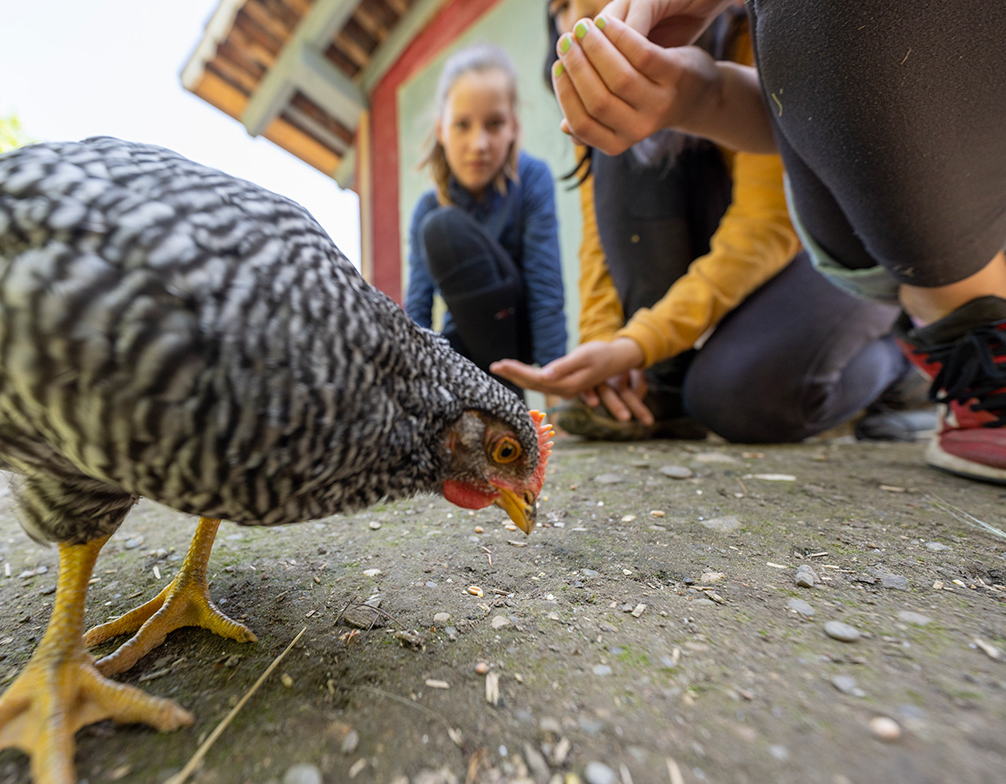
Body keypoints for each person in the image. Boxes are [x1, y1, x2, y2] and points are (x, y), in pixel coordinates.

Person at [505, 0, 1005, 484]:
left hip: (826, 246)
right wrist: (603, 344)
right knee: (621, 134)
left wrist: (639, 342)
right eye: (559, 6)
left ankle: (902, 359)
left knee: (740, 401)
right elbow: (600, 240)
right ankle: (660, 384)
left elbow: (765, 228)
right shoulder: (601, 80)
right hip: (753, 264)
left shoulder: (757, 28)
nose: (574, 14)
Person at [405, 43, 567, 397]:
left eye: (494, 124)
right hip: (461, 348)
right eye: (462, 125)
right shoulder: (426, 208)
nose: (478, 144)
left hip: (516, 340)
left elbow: (545, 285)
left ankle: (508, 391)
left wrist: (558, 387)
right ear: (441, 129)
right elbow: (417, 308)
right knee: (439, 227)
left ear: (513, 126)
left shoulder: (532, 180)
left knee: (443, 229)